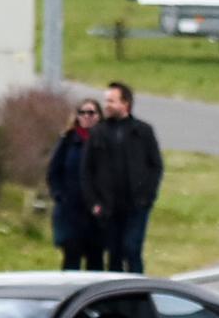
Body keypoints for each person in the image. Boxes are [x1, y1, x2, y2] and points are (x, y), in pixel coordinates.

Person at [83, 82, 162, 275]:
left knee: (131, 249)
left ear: (125, 103)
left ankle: (139, 295)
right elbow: (87, 169)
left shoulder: (142, 132)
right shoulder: (98, 132)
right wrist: (94, 201)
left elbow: (155, 165)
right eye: (106, 100)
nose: (107, 105)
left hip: (136, 205)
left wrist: (147, 196)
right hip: (109, 207)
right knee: (114, 255)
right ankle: (116, 301)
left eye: (111, 101)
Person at [47, 99, 104, 271]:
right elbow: (53, 171)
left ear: (99, 116)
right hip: (70, 210)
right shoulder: (67, 140)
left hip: (96, 211)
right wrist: (59, 195)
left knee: (95, 259)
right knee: (72, 256)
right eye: (83, 112)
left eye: (91, 112)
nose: (87, 116)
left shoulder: (104, 141)